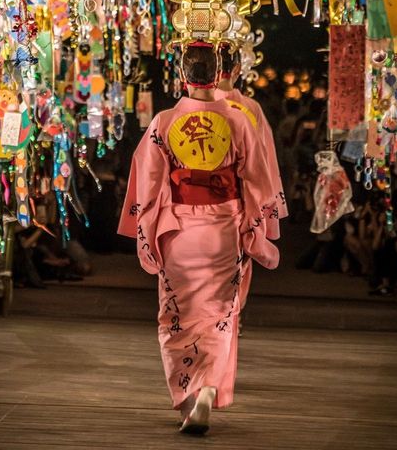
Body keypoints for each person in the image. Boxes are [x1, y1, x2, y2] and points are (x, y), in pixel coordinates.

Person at [118, 43, 280, 435]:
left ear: (182, 76)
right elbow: (259, 182)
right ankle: (208, 390)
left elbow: (149, 183)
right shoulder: (239, 120)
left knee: (176, 316)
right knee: (220, 314)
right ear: (219, 72)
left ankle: (188, 398)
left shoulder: (164, 122)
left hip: (179, 233)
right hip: (224, 230)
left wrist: (148, 232)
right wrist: (256, 228)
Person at [214, 45, 287, 309]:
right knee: (237, 270)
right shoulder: (249, 108)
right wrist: (267, 208)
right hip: (239, 203)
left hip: (191, 208)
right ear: (236, 70)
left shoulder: (187, 108)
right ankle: (231, 318)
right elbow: (263, 165)